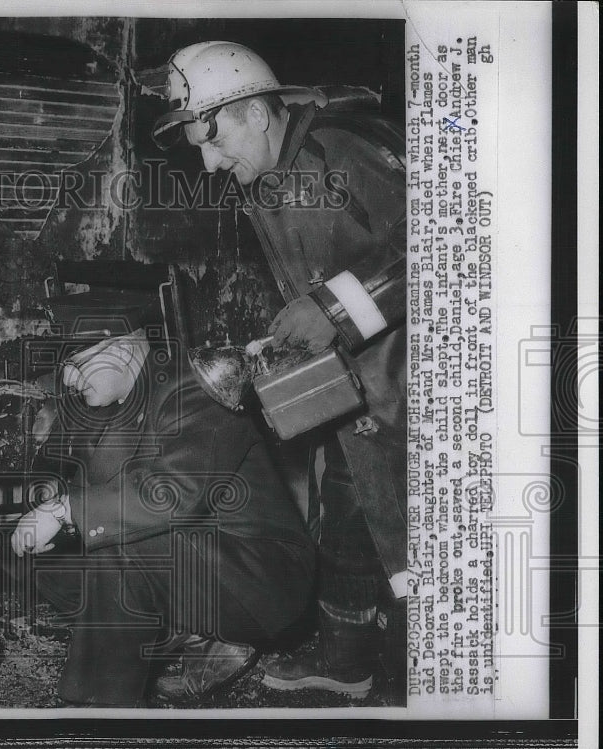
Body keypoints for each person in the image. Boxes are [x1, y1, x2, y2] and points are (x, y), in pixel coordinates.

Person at [152, 41, 407, 699]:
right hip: (361, 389)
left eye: (214, 140)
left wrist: (333, 310)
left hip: (412, 388)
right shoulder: (273, 173)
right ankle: (348, 662)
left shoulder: (340, 152)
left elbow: (450, 247)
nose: (210, 163)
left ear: (257, 114)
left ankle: (423, 685)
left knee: (413, 533)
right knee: (345, 513)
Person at [9, 330, 314, 707]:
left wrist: (67, 510)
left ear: (122, 350)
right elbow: (88, 493)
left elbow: (175, 493)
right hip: (208, 560)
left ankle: (102, 706)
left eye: (75, 364)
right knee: (58, 560)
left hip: (262, 578)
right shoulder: (125, 402)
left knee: (114, 534)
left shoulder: (194, 387)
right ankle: (191, 635)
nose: (68, 380)